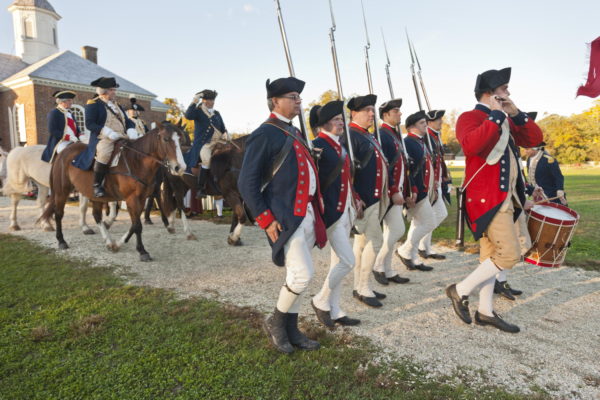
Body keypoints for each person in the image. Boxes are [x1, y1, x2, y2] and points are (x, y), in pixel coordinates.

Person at [446, 67, 543, 333]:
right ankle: (460, 290)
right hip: (487, 198)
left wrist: (514, 113)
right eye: (503, 90)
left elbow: (535, 139)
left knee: (490, 255)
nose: (508, 93)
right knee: (509, 255)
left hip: (506, 197)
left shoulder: (505, 117)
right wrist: (497, 114)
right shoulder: (470, 116)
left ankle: (485, 311)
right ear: (489, 94)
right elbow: (472, 146)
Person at [238, 77, 326, 353]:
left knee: (295, 277)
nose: (299, 101)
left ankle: (291, 329)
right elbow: (246, 182)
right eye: (292, 97)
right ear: (275, 101)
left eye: (299, 97)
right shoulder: (266, 133)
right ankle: (275, 323)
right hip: (285, 216)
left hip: (306, 213)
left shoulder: (293, 131)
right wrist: (264, 218)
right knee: (302, 275)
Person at [310, 100, 362, 328]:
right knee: (348, 261)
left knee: (338, 262)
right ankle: (321, 300)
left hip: (345, 209)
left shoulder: (339, 145)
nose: (341, 123)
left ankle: (335, 308)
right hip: (330, 211)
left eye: (342, 119)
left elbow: (345, 179)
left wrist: (355, 198)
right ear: (325, 123)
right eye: (336, 120)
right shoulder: (317, 145)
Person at [347, 94, 389, 308]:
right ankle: (363, 287)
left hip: (374, 197)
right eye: (367, 111)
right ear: (354, 113)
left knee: (362, 243)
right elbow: (346, 171)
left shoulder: (368, 135)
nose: (372, 114)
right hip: (363, 199)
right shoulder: (350, 135)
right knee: (375, 241)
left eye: (372, 110)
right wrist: (354, 197)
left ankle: (360, 285)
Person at [73, 77, 138, 198]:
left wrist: (131, 129)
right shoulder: (93, 105)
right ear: (103, 92)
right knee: (104, 153)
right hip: (103, 137)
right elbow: (90, 124)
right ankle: (97, 185)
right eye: (112, 90)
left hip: (122, 136)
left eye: (114, 89)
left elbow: (127, 121)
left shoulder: (116, 105)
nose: (114, 92)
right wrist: (107, 131)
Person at [372, 98, 413, 286]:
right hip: (388, 193)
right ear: (386, 114)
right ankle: (379, 265)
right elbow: (383, 167)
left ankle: (387, 269)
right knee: (396, 229)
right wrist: (393, 190)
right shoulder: (382, 134)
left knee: (393, 230)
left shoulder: (394, 135)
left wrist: (406, 190)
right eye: (396, 111)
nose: (400, 114)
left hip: (398, 192)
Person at [396, 111, 437, 272]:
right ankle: (404, 250)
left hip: (423, 190)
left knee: (419, 223)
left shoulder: (420, 142)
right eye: (421, 123)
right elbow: (409, 170)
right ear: (412, 126)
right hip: (416, 191)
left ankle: (411, 256)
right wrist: (411, 191)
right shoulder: (409, 142)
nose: (425, 125)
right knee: (429, 222)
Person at [417, 109, 450, 260]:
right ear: (429, 122)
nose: (441, 122)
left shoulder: (435, 137)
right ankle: (419, 245)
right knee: (429, 217)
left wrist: (443, 176)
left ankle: (424, 246)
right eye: (438, 120)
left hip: (436, 181)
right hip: (429, 183)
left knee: (438, 214)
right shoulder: (426, 137)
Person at [184, 89, 228, 198]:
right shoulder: (197, 112)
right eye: (209, 99)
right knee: (207, 159)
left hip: (219, 142)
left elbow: (222, 128)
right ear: (203, 100)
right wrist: (195, 99)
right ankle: (201, 188)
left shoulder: (216, 113)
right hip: (205, 144)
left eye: (213, 99)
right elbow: (188, 115)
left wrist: (226, 133)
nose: (212, 102)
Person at [41, 90, 81, 162]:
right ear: (62, 102)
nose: (71, 102)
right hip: (60, 142)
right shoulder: (54, 113)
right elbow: (53, 131)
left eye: (71, 100)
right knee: (67, 154)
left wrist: (81, 135)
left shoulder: (70, 114)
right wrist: (68, 137)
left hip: (74, 140)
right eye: (69, 100)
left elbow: (76, 129)